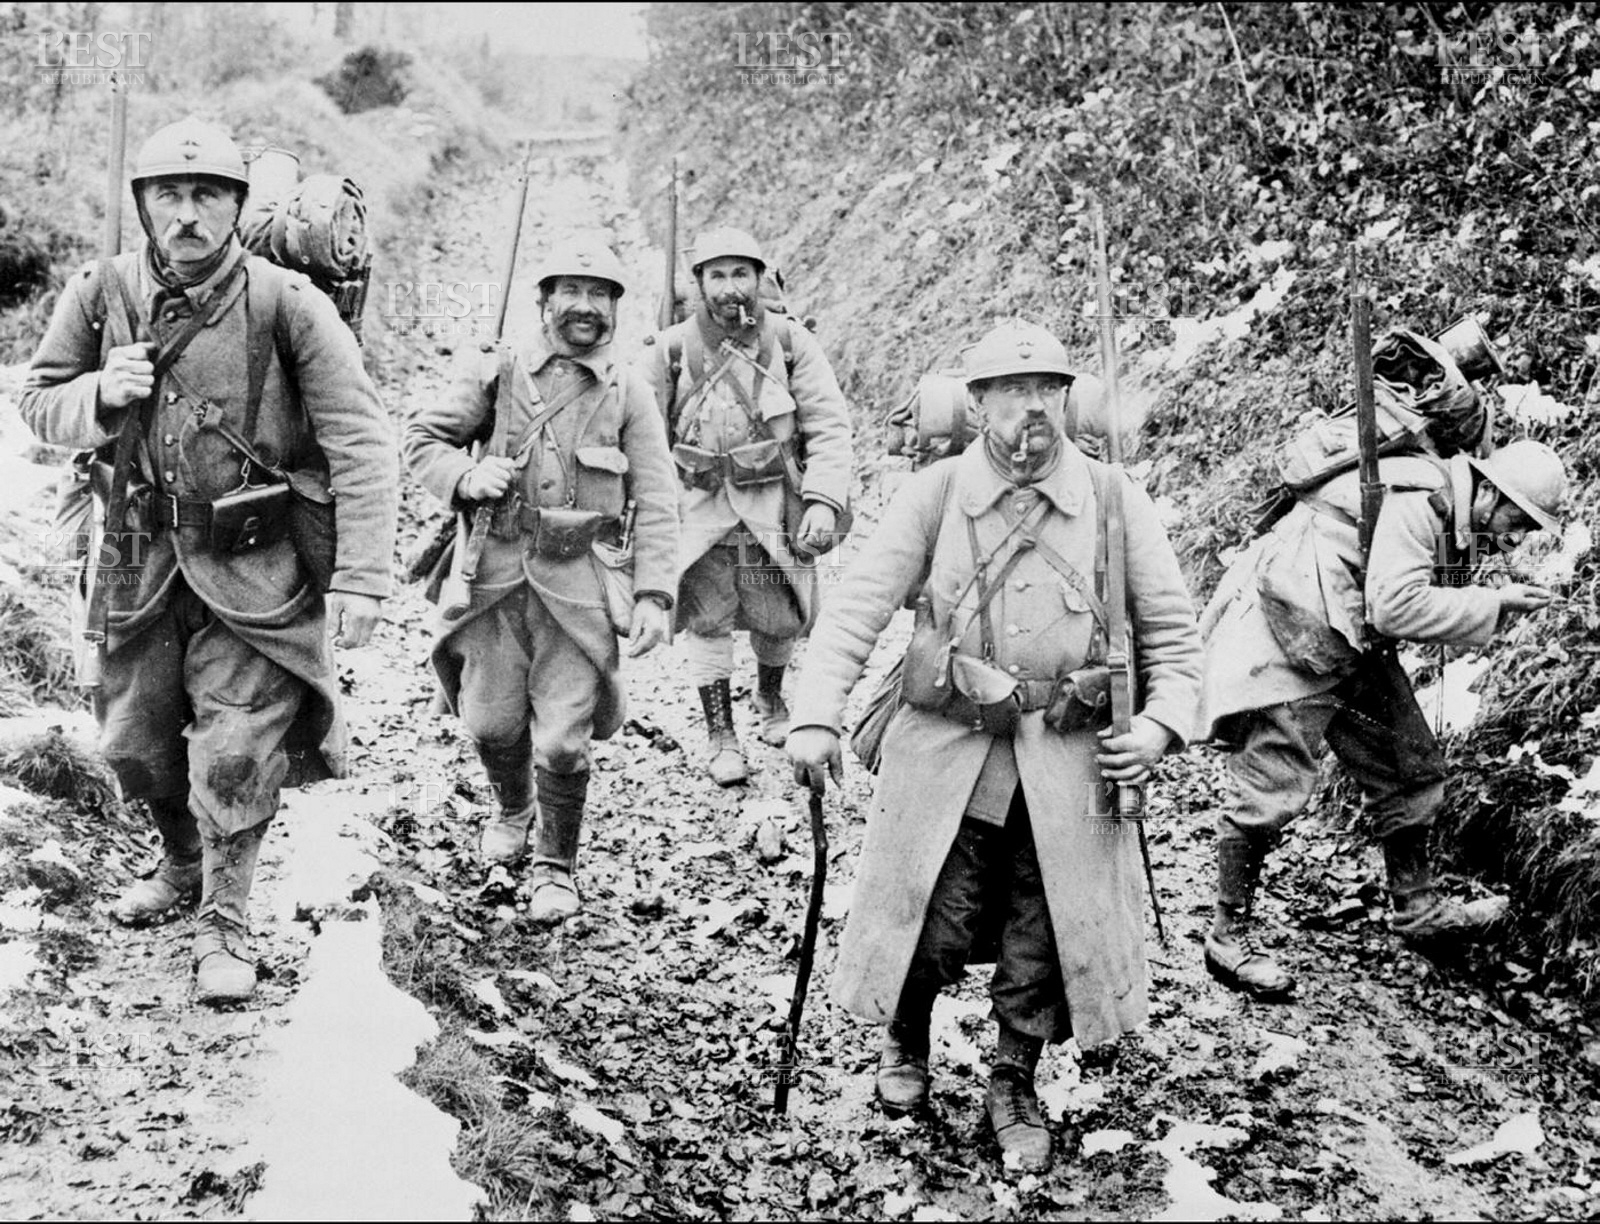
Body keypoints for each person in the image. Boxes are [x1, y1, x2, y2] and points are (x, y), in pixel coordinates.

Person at [788, 320, 1202, 1172]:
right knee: (932, 908)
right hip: (948, 743)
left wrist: (1159, 727)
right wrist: (816, 715)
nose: (1032, 409)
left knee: (1045, 925)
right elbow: (858, 610)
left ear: (1068, 399)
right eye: (1012, 392)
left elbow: (1173, 635)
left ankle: (1014, 1075)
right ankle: (906, 1038)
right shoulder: (935, 493)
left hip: (1072, 754)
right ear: (978, 405)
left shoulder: (1115, 499)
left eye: (1047, 389)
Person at [18, 116, 397, 1004]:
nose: (187, 214)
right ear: (144, 204)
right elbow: (36, 401)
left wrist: (363, 577)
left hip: (253, 563)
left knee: (234, 745)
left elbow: (360, 439)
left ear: (237, 205)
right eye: (169, 195)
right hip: (135, 554)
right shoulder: (100, 290)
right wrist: (99, 393)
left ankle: (225, 920)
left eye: (208, 195)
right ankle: (182, 861)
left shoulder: (286, 303)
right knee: (134, 739)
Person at [1198, 440, 1567, 1001]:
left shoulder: (1454, 507)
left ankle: (1417, 907)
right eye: (1518, 521)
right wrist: (1494, 604)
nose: (1517, 538)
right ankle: (1228, 935)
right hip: (1291, 622)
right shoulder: (1419, 503)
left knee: (1408, 762)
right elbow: (1395, 606)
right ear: (1490, 494)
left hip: (1346, 629)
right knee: (1272, 783)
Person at [404, 239, 677, 924]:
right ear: (544, 300)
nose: (585, 306)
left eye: (600, 293)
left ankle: (557, 865)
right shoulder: (496, 372)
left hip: (579, 588)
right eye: (571, 291)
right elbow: (422, 440)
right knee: (491, 723)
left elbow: (658, 499)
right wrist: (466, 476)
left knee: (561, 741)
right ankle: (512, 807)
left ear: (615, 306)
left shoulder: (629, 390)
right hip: (494, 579)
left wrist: (654, 594)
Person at [646, 227, 853, 785]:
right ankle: (720, 734)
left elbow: (829, 425)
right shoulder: (670, 349)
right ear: (699, 284)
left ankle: (770, 697)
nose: (729, 287)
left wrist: (823, 501)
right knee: (707, 618)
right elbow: (642, 435)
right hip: (700, 507)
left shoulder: (790, 342)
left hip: (773, 505)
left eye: (741, 273)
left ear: (760, 279)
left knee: (779, 613)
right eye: (717, 275)